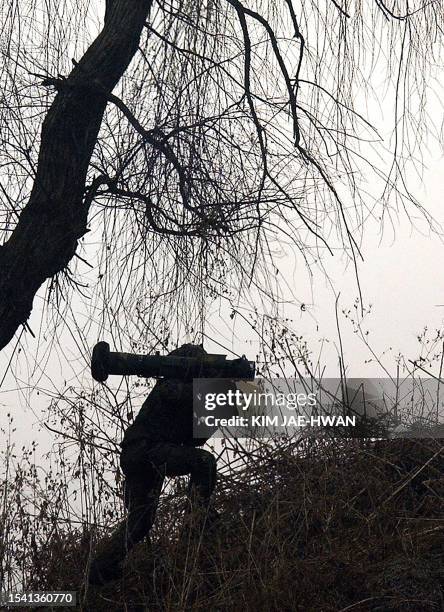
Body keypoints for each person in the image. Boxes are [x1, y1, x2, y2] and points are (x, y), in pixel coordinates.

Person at [88, 343, 234, 585]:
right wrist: (217, 388)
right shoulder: (171, 384)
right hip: (145, 450)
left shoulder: (189, 389)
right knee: (204, 463)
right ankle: (195, 528)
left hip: (141, 453)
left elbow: (195, 439)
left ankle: (100, 570)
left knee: (141, 521)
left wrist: (222, 399)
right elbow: (180, 397)